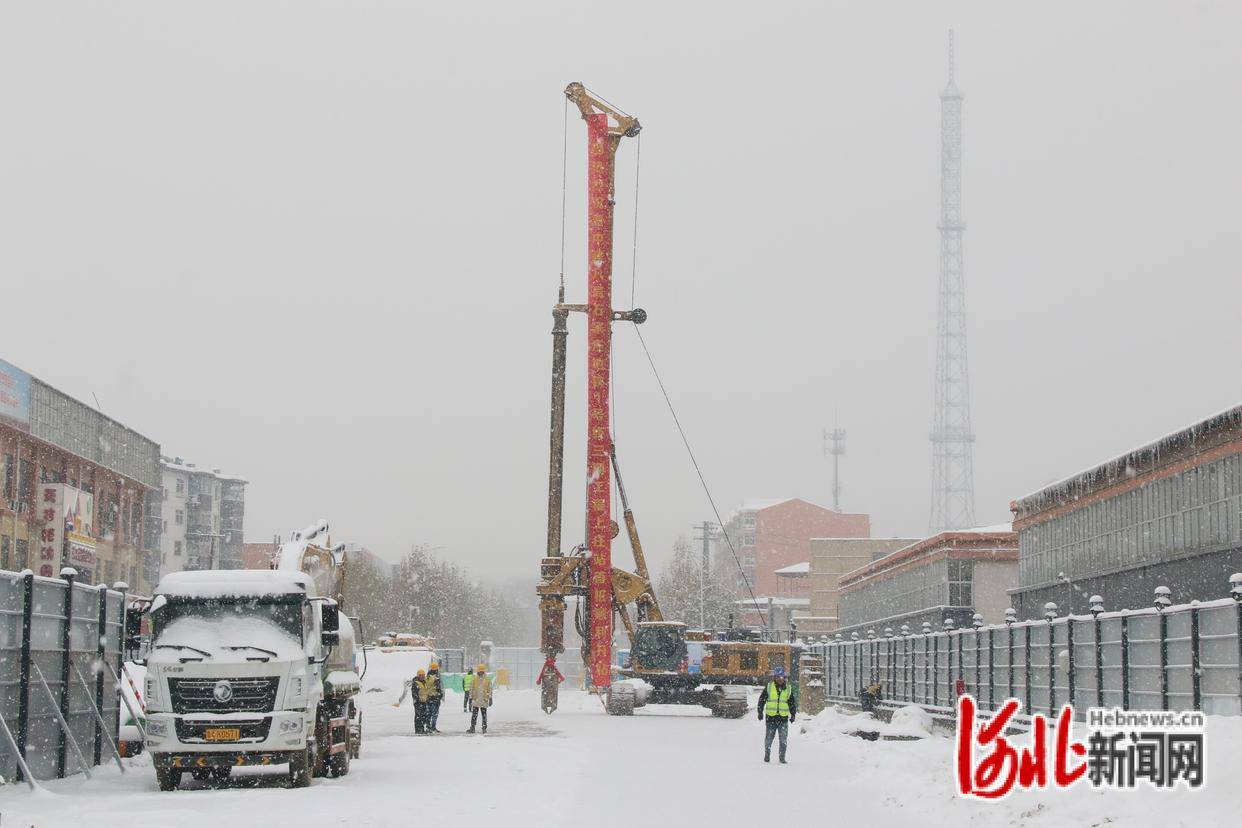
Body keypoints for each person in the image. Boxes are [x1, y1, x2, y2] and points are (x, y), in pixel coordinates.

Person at [757, 666, 796, 764]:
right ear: (774, 677)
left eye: (781, 677)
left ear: (784, 677)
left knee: (783, 740)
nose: (780, 679)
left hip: (783, 719)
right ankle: (767, 755)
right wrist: (760, 712)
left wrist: (793, 714)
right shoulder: (769, 687)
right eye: (778, 677)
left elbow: (792, 703)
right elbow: (762, 700)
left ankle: (782, 757)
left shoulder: (788, 688)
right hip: (771, 718)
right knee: (768, 740)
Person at [467, 664, 493, 734]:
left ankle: (482, 728)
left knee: (482, 715)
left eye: (482, 671)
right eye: (480, 671)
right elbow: (471, 689)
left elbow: (490, 689)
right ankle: (473, 728)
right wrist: (470, 698)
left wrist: (490, 698)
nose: (481, 672)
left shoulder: (487, 679)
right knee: (476, 715)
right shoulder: (475, 679)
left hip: (482, 700)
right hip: (477, 700)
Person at [425, 662, 443, 733]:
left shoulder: (427, 677)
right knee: (434, 713)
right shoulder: (435, 678)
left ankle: (428, 727)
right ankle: (432, 727)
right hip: (435, 697)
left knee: (429, 713)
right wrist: (440, 694)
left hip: (429, 698)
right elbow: (438, 688)